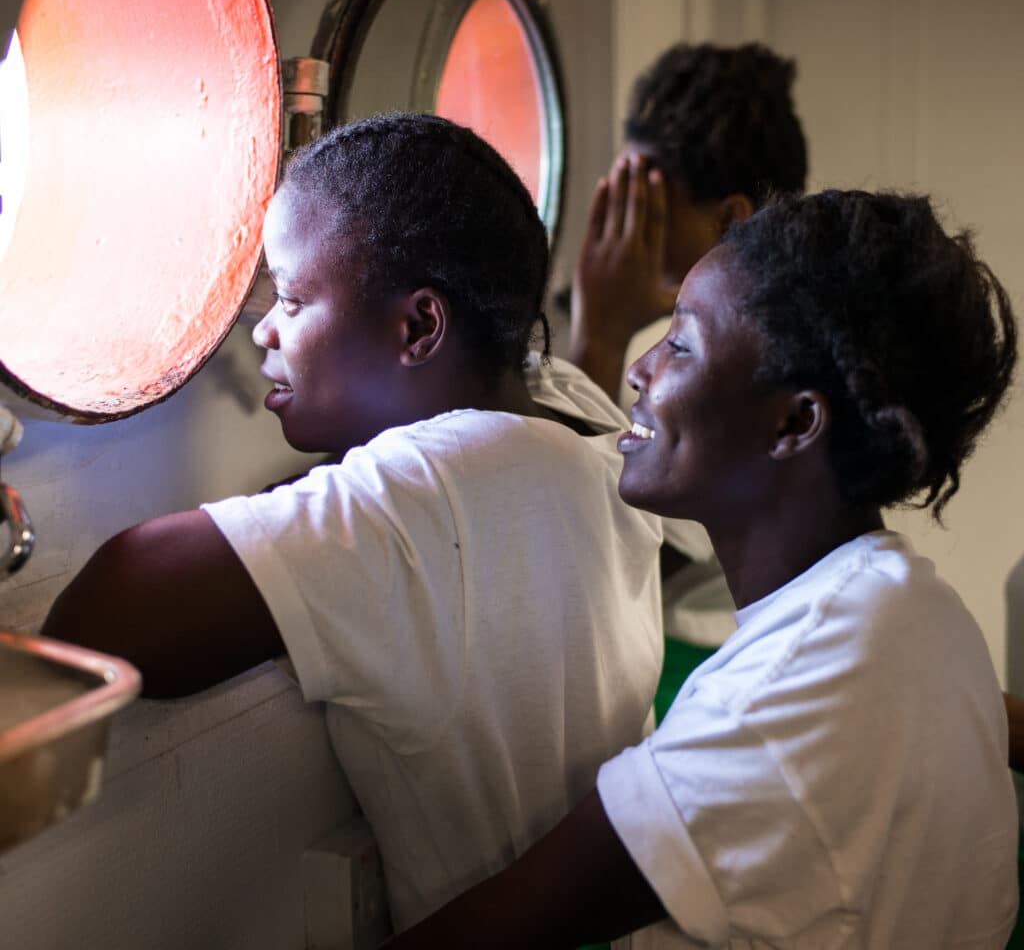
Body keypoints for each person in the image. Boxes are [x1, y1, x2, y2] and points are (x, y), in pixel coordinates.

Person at [41, 113, 692, 933]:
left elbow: (107, 613)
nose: (263, 330)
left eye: (293, 298)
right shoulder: (575, 416)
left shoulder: (432, 491)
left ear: (418, 328)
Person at [387, 189, 1020, 949]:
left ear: (794, 422)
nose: (641, 371)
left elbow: (496, 928)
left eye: (680, 345)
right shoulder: (913, 606)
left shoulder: (781, 703)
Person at [568, 41, 808, 411]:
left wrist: (600, 338)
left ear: (730, 220)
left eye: (641, 202)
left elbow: (582, 470)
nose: (620, 230)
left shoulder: (756, 376)